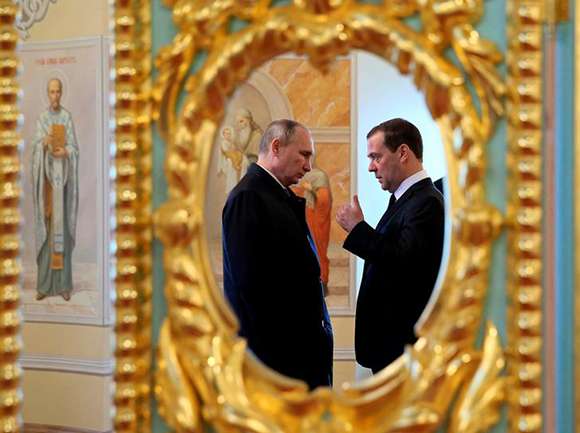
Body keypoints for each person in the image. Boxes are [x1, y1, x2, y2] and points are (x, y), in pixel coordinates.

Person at [222, 119, 334, 390]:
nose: (308, 166)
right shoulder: (249, 197)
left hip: (297, 356)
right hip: (279, 361)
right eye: (304, 155)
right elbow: (252, 288)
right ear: (276, 147)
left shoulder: (275, 194)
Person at [336, 118, 444, 373]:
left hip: (403, 348)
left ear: (403, 152)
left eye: (376, 157)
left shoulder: (426, 202)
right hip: (390, 347)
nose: (371, 167)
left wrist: (358, 229)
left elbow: (403, 262)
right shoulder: (406, 199)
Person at [31, 77, 79, 302]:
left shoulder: (66, 118)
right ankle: (43, 285)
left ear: (61, 93)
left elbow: (74, 148)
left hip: (63, 184)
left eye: (58, 92)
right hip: (48, 187)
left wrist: (66, 152)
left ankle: (63, 285)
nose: (55, 96)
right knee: (48, 230)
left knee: (61, 232)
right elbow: (33, 149)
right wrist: (43, 143)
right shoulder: (41, 119)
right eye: (51, 92)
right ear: (47, 94)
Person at [293, 167, 332, 295]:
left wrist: (311, 190)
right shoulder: (299, 175)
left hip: (317, 223)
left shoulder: (320, 177)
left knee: (318, 251)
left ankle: (323, 285)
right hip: (305, 220)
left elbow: (324, 200)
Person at [217, 126, 248, 196]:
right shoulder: (223, 142)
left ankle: (237, 165)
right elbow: (225, 150)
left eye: (229, 134)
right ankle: (236, 165)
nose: (228, 135)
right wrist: (231, 148)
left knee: (239, 154)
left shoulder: (231, 142)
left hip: (233, 152)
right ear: (223, 135)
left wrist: (232, 147)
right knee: (233, 157)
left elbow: (234, 148)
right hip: (228, 153)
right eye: (226, 134)